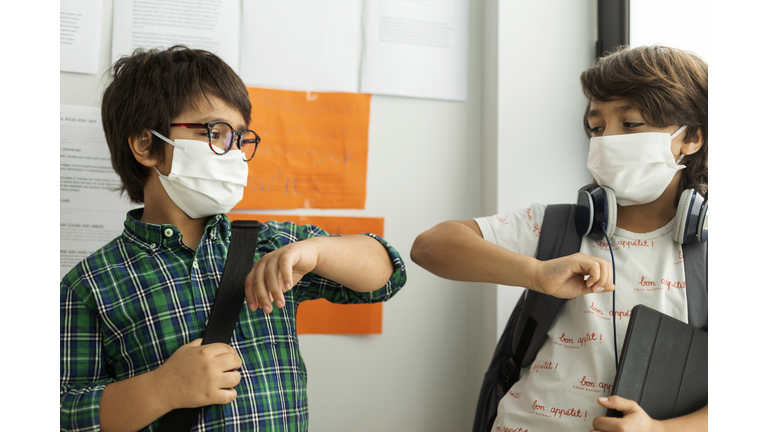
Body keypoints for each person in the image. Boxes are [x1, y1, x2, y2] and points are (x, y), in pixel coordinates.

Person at [60, 46, 407, 432]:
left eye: (240, 138)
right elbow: (65, 412)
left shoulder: (273, 244)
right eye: (216, 133)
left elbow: (386, 273)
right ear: (146, 144)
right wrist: (161, 389)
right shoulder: (89, 283)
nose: (235, 154)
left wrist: (316, 250)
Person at [411, 45, 707, 431]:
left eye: (631, 124)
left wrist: (661, 430)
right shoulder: (553, 226)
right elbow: (430, 246)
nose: (606, 140)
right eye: (597, 127)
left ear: (692, 138)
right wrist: (535, 273)